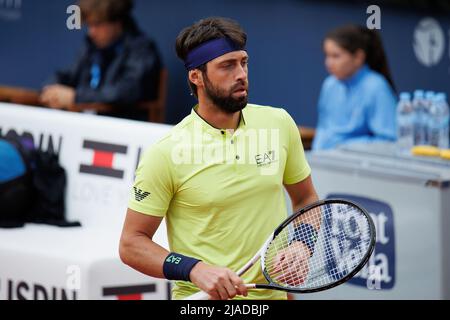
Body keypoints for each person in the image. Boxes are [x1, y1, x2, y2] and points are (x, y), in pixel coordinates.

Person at [119, 17, 319, 300]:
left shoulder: (279, 123)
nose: (241, 74)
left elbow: (306, 199)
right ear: (196, 76)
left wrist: (302, 244)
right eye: (227, 65)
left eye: (243, 62)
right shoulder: (165, 152)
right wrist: (194, 269)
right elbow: (131, 244)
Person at [40, 0, 163, 121]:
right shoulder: (91, 46)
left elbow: (126, 92)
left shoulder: (141, 49)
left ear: (117, 22)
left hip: (120, 128)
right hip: (85, 125)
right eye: (89, 25)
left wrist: (76, 97)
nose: (91, 32)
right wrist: (51, 89)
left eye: (97, 24)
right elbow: (69, 75)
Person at [312, 25, 397, 150]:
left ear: (358, 57)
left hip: (355, 165)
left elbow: (388, 140)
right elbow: (323, 130)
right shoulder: (329, 85)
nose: (328, 63)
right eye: (327, 55)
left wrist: (344, 147)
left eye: (336, 56)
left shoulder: (376, 87)